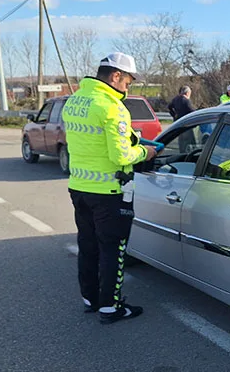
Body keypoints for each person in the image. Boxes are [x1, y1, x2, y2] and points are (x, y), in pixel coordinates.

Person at [62, 52, 159, 324]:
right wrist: (145, 152)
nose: (128, 87)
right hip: (110, 192)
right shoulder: (113, 107)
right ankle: (110, 307)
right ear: (116, 76)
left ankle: (91, 298)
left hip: (79, 187)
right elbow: (121, 156)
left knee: (88, 244)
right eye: (128, 81)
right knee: (112, 250)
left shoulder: (75, 100)